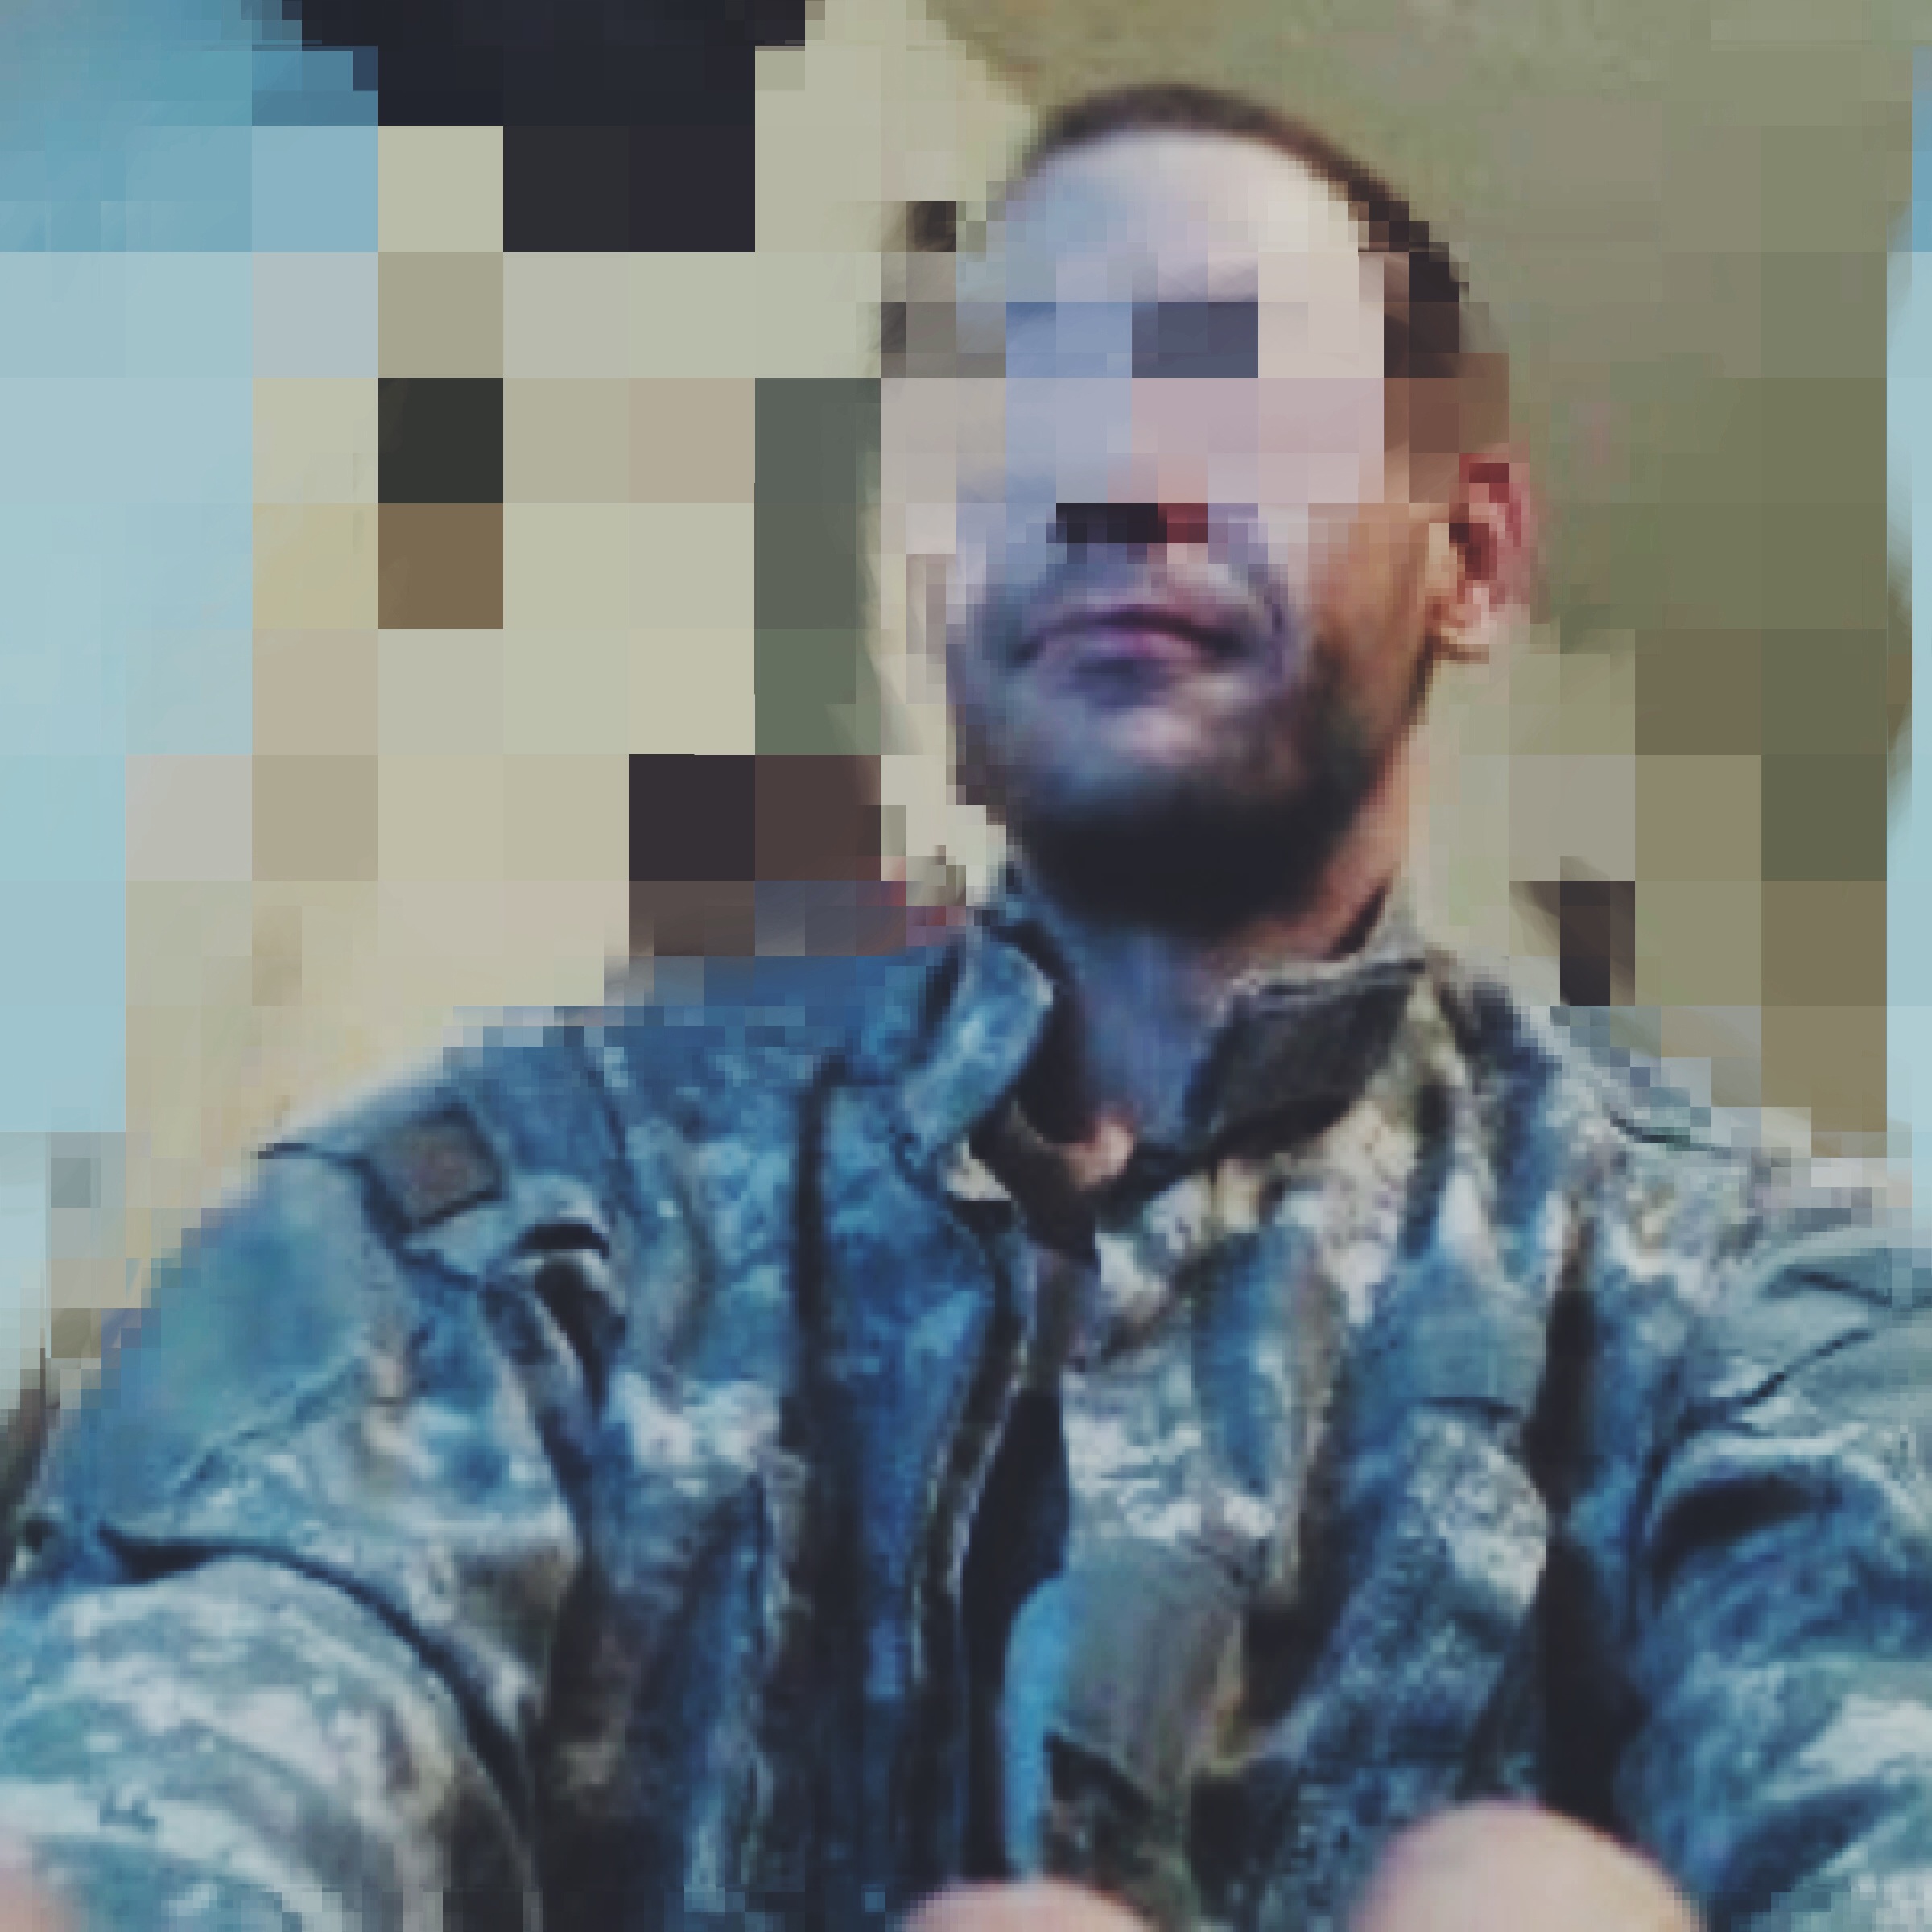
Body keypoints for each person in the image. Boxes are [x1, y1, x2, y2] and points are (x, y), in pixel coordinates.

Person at [0, 78, 1926, 1932]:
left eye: (1228, 376)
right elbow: (203, 1744)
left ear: (1476, 555)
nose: (1110, 481)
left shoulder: (1761, 1311)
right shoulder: (494, 1227)